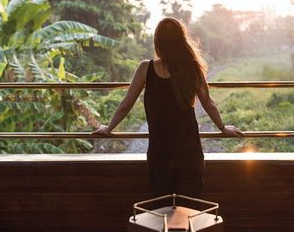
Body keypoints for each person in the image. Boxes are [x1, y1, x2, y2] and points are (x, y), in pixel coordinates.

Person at [92, 17, 244, 198]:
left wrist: (108, 128)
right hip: (189, 151)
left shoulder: (145, 68)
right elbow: (208, 104)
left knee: (162, 206)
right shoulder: (193, 68)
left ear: (158, 42)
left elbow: (126, 105)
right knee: (190, 205)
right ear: (182, 39)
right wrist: (222, 128)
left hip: (160, 152)